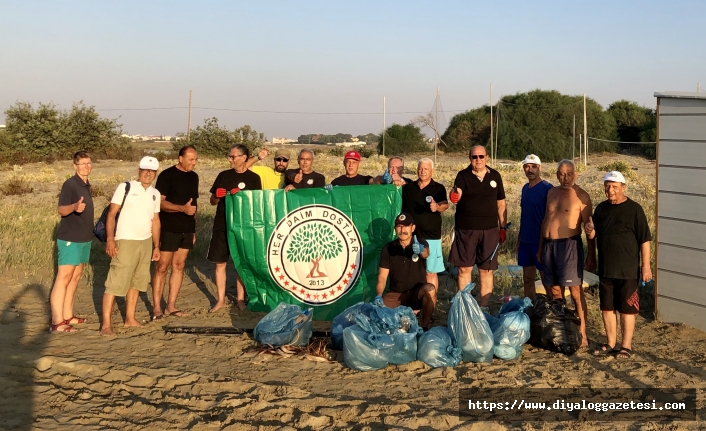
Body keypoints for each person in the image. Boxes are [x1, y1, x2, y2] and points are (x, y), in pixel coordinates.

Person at [588, 171, 652, 359]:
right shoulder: (601, 209)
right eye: (607, 186)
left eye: (615, 186)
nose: (610, 190)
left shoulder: (635, 210)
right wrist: (589, 231)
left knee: (627, 309)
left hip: (628, 270)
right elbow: (593, 235)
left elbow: (644, 240)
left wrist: (646, 266)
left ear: (623, 187)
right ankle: (610, 343)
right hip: (606, 268)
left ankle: (626, 346)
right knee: (607, 308)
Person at [537, 159, 596, 349]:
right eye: (562, 174)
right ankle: (561, 330)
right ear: (556, 175)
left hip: (569, 246)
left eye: (569, 173)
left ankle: (583, 334)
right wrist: (540, 248)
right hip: (549, 245)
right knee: (554, 291)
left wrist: (591, 256)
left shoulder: (582, 197)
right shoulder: (551, 193)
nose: (566, 178)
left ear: (576, 175)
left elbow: (590, 230)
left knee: (576, 293)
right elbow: (545, 220)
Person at [101, 156, 162, 336]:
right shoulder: (125, 187)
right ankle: (106, 324)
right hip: (125, 240)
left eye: (151, 171)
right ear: (139, 170)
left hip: (145, 242)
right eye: (145, 170)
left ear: (155, 173)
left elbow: (155, 220)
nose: (148, 173)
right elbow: (111, 214)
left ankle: (130, 318)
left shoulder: (155, 194)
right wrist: (110, 239)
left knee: (137, 281)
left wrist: (156, 246)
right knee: (115, 282)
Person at [448, 145, 507, 309]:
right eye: (475, 157)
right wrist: (454, 195)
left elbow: (501, 204)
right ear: (470, 158)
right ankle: (466, 307)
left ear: (487, 157)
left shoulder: (495, 176)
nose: (478, 160)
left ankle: (484, 309)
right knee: (464, 269)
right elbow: (456, 192)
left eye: (481, 156)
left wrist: (503, 228)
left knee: (486, 271)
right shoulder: (463, 175)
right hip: (466, 229)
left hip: (490, 230)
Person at [208, 144, 262, 312]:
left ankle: (240, 299)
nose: (229, 159)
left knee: (240, 264)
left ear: (244, 157)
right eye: (229, 156)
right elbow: (212, 201)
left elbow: (256, 204)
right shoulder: (223, 175)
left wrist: (243, 198)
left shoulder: (254, 179)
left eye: (233, 157)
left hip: (242, 226)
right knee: (220, 263)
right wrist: (216, 197)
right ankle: (220, 300)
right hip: (222, 224)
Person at [151, 145, 199, 320]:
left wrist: (193, 230)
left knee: (179, 266)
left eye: (196, 159)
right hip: (168, 228)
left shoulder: (194, 177)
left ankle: (170, 305)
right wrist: (181, 209)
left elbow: (194, 206)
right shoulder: (167, 176)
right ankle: (157, 307)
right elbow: (160, 203)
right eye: (191, 159)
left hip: (186, 229)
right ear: (180, 158)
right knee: (162, 267)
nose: (194, 163)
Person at [50, 151, 95, 332]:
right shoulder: (70, 184)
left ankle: (68, 315)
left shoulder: (85, 184)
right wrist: (74, 207)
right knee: (64, 278)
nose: (86, 166)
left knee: (75, 277)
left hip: (85, 238)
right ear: (74, 166)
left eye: (89, 163)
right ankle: (57, 322)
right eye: (82, 164)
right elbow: (61, 210)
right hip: (70, 239)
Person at [375, 213, 436, 329]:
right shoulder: (388, 248)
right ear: (395, 229)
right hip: (396, 294)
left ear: (413, 228)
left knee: (431, 290)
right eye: (399, 226)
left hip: (416, 293)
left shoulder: (420, 243)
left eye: (406, 226)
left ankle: (425, 326)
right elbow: (382, 277)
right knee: (378, 313)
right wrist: (378, 295)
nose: (402, 230)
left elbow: (426, 253)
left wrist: (421, 250)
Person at [401, 158, 448, 292]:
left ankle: (431, 302)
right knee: (411, 270)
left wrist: (437, 207)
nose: (422, 171)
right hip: (411, 236)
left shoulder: (438, 188)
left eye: (426, 169)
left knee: (430, 271)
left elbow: (445, 204)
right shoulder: (409, 188)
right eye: (420, 168)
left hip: (431, 236)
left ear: (432, 171)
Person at [517, 154, 553, 299]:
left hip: (541, 242)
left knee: (546, 280)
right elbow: (524, 215)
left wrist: (544, 243)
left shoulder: (547, 188)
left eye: (533, 167)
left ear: (540, 168)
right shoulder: (525, 188)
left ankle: (554, 309)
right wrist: (519, 239)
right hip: (525, 241)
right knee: (527, 278)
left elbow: (550, 217)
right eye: (527, 166)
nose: (530, 170)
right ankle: (529, 309)